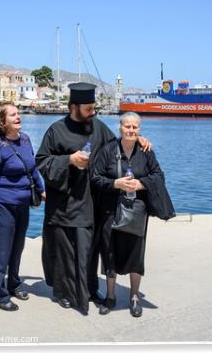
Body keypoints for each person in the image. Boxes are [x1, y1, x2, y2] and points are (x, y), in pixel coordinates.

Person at [35, 82, 151, 314]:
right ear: (74, 107)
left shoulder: (97, 127)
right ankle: (63, 292)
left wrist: (135, 139)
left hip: (93, 201)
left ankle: (89, 288)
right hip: (65, 204)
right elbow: (42, 161)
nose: (93, 112)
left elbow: (115, 147)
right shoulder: (55, 130)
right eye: (89, 108)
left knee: (90, 250)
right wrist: (68, 160)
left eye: (94, 107)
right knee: (65, 251)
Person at [90, 112, 167, 317]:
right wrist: (115, 183)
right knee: (109, 253)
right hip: (110, 210)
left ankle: (134, 296)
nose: (131, 130)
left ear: (139, 130)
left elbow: (159, 175)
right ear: (120, 128)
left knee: (136, 253)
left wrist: (141, 184)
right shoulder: (108, 150)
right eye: (127, 126)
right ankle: (111, 296)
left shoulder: (146, 151)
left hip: (136, 211)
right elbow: (95, 178)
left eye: (135, 127)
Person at [0, 102, 46, 311]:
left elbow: (32, 168)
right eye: (13, 115)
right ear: (2, 121)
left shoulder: (25, 139)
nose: (18, 117)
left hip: (23, 203)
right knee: (3, 250)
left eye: (18, 114)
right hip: (3, 204)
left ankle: (14, 283)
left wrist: (42, 189)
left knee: (18, 247)